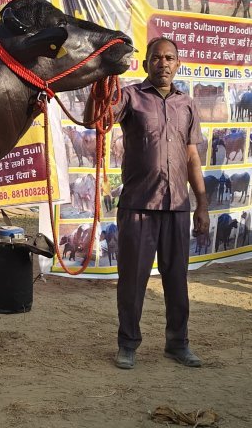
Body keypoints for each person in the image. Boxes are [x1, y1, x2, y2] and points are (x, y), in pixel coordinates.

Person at [85, 38, 210, 369]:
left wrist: (202, 204)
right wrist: (101, 78)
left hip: (178, 207)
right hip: (138, 205)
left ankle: (177, 343)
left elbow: (192, 157)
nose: (163, 63)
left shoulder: (187, 105)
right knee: (132, 280)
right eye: (157, 58)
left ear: (178, 64)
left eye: (170, 58)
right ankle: (128, 344)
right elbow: (96, 119)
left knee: (176, 279)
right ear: (146, 64)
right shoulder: (130, 97)